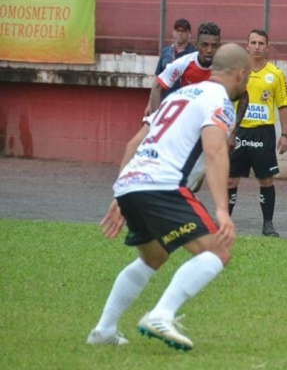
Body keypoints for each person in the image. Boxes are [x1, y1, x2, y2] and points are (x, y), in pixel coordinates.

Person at [86, 43, 252, 350]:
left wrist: (120, 193)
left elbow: (133, 145)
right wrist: (222, 210)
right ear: (241, 74)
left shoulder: (178, 94)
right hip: (163, 185)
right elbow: (215, 152)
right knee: (218, 252)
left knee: (154, 256)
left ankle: (104, 331)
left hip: (132, 183)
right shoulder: (219, 101)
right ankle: (161, 314)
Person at [228, 29, 287, 237]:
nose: (256, 46)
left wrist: (285, 135)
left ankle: (268, 224)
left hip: (263, 133)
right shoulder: (237, 72)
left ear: (267, 47)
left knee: (266, 180)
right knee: (230, 180)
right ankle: (224, 223)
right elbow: (226, 101)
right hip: (239, 132)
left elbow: (283, 105)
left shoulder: (275, 75)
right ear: (247, 46)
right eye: (253, 42)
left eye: (261, 43)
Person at [144, 22, 222, 116]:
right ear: (197, 45)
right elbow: (157, 87)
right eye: (204, 45)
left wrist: (235, 125)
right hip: (184, 115)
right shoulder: (183, 63)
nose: (209, 50)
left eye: (214, 46)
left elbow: (242, 94)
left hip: (210, 118)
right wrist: (154, 118)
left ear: (219, 46)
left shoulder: (225, 67)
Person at [151, 18, 197, 100]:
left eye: (183, 31)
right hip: (165, 100)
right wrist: (150, 102)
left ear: (189, 34)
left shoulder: (194, 54)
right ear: (173, 32)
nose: (180, 33)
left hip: (186, 101)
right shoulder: (166, 52)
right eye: (177, 30)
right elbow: (157, 77)